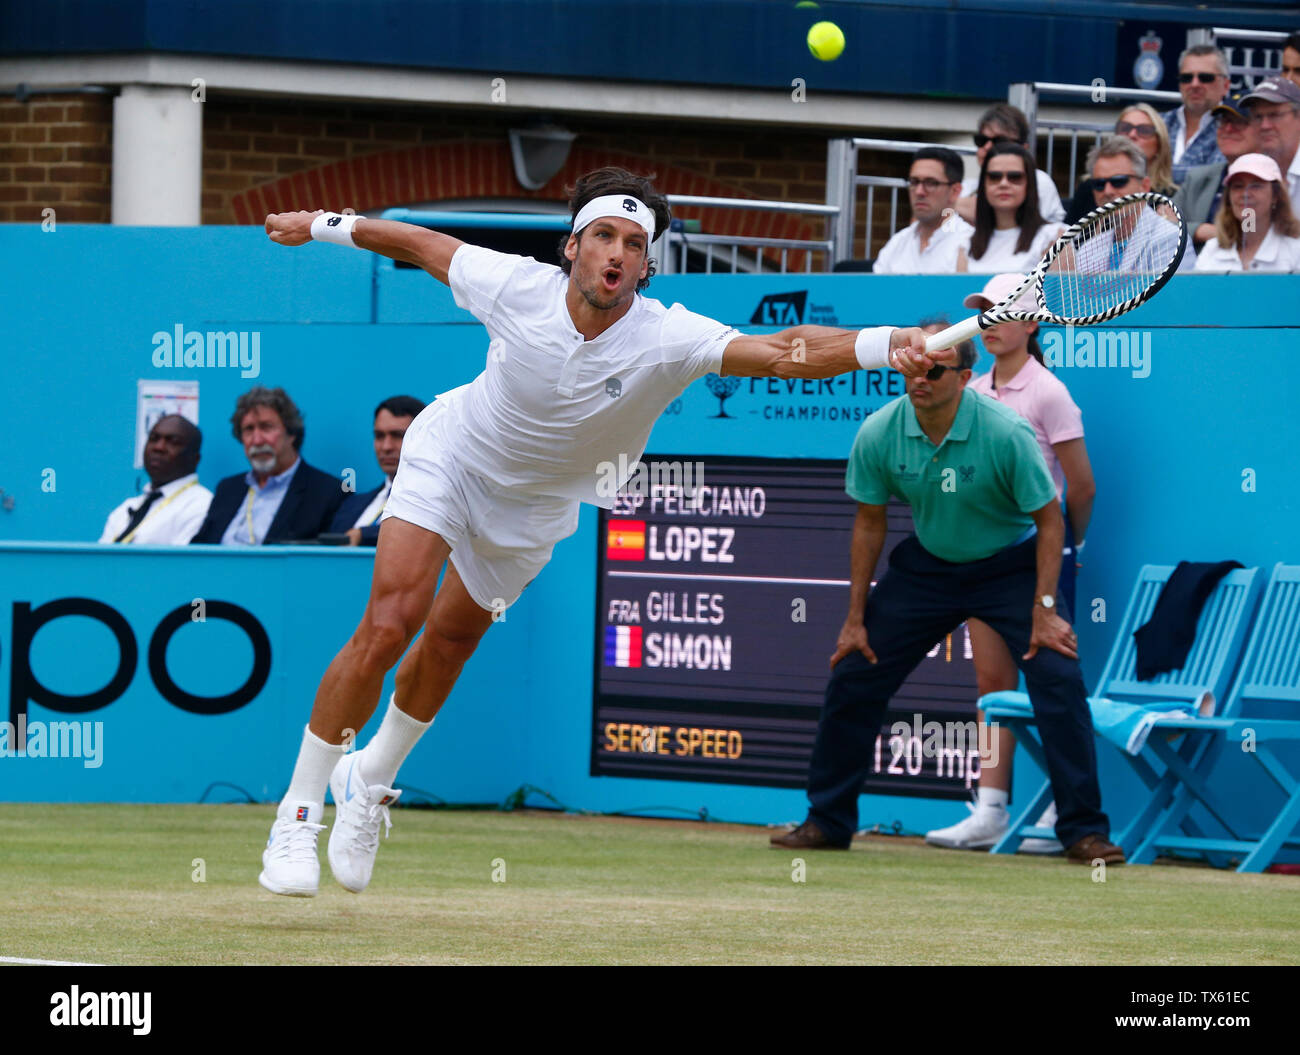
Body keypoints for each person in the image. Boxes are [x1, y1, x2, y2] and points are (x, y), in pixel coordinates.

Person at [255, 166, 940, 897]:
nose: (617, 252)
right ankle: (297, 814)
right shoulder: (514, 285)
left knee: (451, 642)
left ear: (648, 264)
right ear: (572, 247)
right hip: (451, 458)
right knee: (391, 622)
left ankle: (373, 779)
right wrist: (320, 224)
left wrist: (886, 340)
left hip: (536, 507)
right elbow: (420, 243)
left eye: (635, 243)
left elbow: (782, 352)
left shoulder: (671, 335)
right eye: (604, 236)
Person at [769, 321, 1122, 866]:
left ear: (964, 376)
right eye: (910, 366)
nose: (919, 378)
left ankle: (1083, 832)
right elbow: (869, 523)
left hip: (1011, 566)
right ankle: (827, 820)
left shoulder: (1006, 432)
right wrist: (854, 617)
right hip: (929, 568)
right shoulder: (879, 431)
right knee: (853, 672)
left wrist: (1045, 609)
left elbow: (1051, 522)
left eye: (934, 369)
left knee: (1058, 676)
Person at [922, 276, 1096, 854]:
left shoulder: (1048, 393)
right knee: (993, 683)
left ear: (1032, 324)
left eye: (1004, 313)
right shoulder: (967, 389)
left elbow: (1082, 487)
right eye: (984, 313)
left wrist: (1067, 551)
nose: (991, 322)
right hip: (984, 557)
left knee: (1051, 685)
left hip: (1039, 558)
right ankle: (992, 808)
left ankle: (1054, 812)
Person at [190, 386, 346, 545]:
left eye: (266, 427)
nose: (257, 440)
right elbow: (198, 551)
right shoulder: (228, 489)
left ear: (291, 433)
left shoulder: (326, 493)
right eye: (249, 429)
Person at [1076, 135, 1195, 273]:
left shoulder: (1171, 238)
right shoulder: (1089, 249)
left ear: (1144, 186)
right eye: (1099, 184)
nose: (1108, 191)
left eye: (1119, 181)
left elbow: (1170, 294)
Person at [99, 414, 212, 545]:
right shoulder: (125, 509)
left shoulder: (202, 506)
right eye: (153, 438)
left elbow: (181, 564)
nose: (158, 447)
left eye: (173, 441)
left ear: (195, 458)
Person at [329, 395, 426, 546]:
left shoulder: (436, 500)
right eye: (379, 436)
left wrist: (363, 535)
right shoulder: (351, 504)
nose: (386, 447)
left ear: (424, 438)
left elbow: (419, 531)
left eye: (398, 436)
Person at [957, 143, 1063, 274]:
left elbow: (1062, 293)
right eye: (994, 177)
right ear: (983, 185)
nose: (1003, 183)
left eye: (1015, 177)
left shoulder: (1053, 237)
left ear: (1029, 184)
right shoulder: (966, 243)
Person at [1063, 104, 1177, 224]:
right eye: (1125, 128)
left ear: (1159, 143)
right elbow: (1069, 232)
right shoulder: (1090, 187)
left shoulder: (1171, 196)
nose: (1132, 134)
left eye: (1144, 130)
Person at [954, 103, 1065, 225]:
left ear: (1024, 148)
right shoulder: (967, 186)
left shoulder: (1039, 180)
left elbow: (1009, 224)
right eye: (982, 140)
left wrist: (949, 202)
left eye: (999, 141)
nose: (987, 147)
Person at [1174, 92, 1258, 252]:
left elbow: (1249, 234)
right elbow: (1162, 221)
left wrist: (1214, 233)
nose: (1228, 128)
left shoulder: (1269, 179)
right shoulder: (1198, 177)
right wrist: (1199, 230)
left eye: (1239, 122)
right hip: (1194, 271)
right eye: (1224, 121)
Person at [872, 147, 972, 274]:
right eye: (914, 182)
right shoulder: (898, 242)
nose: (919, 191)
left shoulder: (969, 243)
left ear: (955, 191)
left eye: (931, 183)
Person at [1194, 153, 1300, 272]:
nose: (1245, 194)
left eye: (1256, 186)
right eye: (1238, 186)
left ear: (1275, 195)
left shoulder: (1296, 250)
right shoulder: (1212, 249)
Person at [1163, 44, 1230, 184]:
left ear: (1226, 86)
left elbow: (1212, 181)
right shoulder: (1158, 123)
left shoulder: (1233, 130)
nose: (1194, 84)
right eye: (1186, 77)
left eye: (1205, 77)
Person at [1239, 76, 1300, 216]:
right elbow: (1248, 230)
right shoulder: (1247, 171)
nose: (1265, 125)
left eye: (1274, 115)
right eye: (1258, 117)